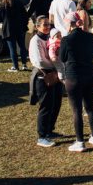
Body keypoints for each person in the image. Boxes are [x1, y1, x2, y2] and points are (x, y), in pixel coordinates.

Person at [59, 11, 93, 151]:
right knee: (90, 107)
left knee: (76, 110)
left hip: (73, 76)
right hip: (89, 75)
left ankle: (80, 141)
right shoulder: (89, 36)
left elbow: (62, 58)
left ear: (69, 25)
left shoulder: (66, 39)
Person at [28, 16, 63, 148]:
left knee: (56, 103)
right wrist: (55, 63)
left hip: (54, 74)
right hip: (43, 77)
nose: (48, 27)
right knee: (46, 106)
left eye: (49, 24)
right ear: (37, 26)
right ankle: (42, 136)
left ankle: (50, 130)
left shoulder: (50, 37)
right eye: (44, 25)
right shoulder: (35, 40)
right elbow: (40, 61)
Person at [0, 0, 29, 72]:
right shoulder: (18, 2)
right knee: (22, 47)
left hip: (9, 29)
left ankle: (15, 67)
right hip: (20, 27)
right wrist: (24, 23)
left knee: (12, 49)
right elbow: (25, 14)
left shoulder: (1, 5)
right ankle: (24, 65)